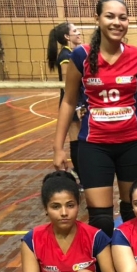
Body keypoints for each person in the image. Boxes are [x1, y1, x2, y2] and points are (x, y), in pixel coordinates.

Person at [52, 0, 137, 239]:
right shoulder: (80, 56)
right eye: (110, 16)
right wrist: (58, 148)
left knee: (133, 213)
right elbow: (68, 101)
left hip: (132, 145)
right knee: (101, 219)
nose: (117, 22)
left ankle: (132, 262)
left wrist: (123, 112)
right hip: (94, 146)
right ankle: (105, 264)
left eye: (122, 17)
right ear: (97, 19)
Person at [47, 22, 84, 182]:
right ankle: (81, 176)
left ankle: (80, 172)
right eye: (75, 30)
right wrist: (77, 105)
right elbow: (67, 86)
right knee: (76, 140)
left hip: (78, 100)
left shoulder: (72, 53)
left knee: (80, 139)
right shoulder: (66, 56)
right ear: (67, 36)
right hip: (73, 101)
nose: (79, 32)